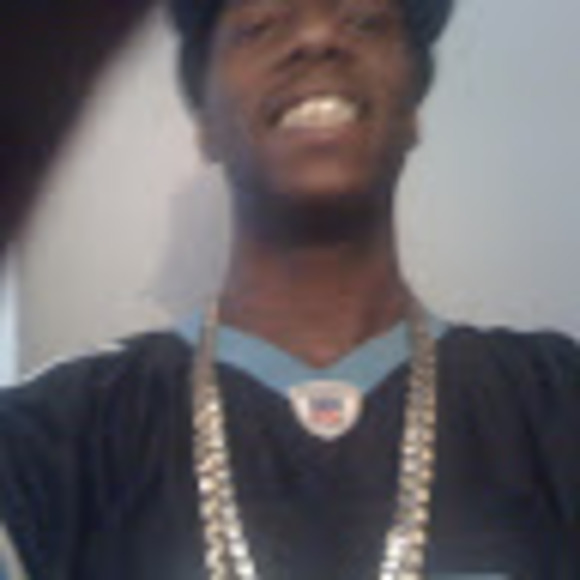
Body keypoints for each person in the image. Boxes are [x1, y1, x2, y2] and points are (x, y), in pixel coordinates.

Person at [1, 0, 579, 578]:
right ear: (205, 126)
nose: (318, 37)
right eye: (260, 26)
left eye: (364, 20)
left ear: (412, 112)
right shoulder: (54, 436)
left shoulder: (556, 403)